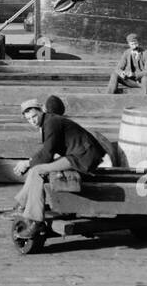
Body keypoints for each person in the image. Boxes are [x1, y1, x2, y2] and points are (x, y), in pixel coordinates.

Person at [13, 98, 105, 238]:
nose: (33, 121)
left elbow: (47, 154)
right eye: (29, 119)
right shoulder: (49, 122)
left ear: (41, 111)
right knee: (36, 169)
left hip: (83, 157)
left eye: (34, 116)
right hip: (77, 155)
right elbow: (47, 152)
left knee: (38, 171)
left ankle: (35, 221)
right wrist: (30, 163)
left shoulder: (51, 122)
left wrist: (27, 163)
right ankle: (21, 204)